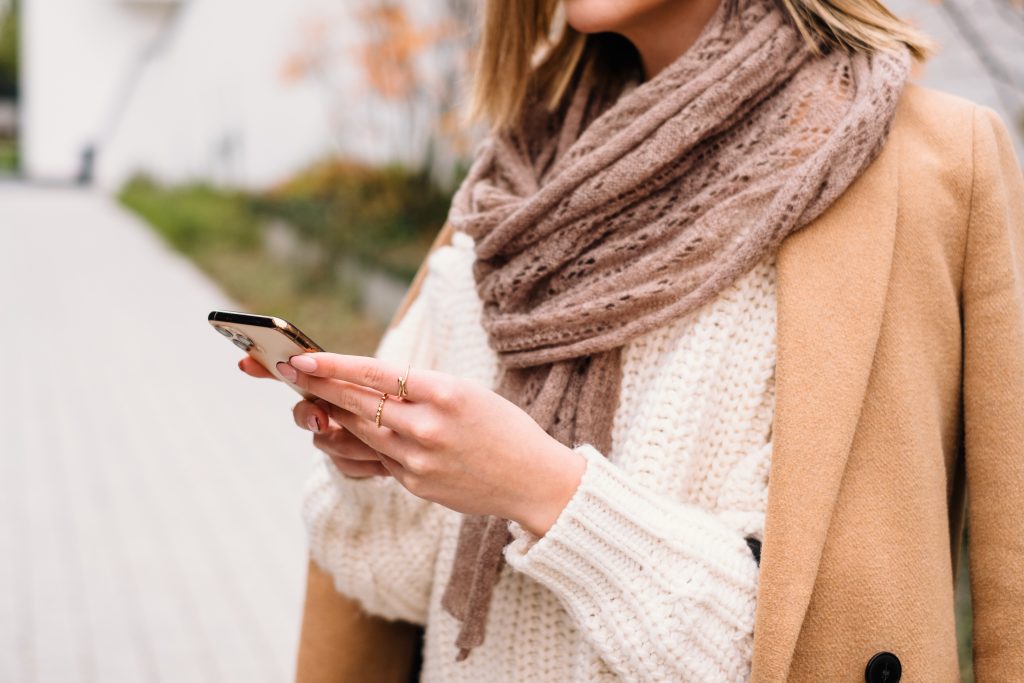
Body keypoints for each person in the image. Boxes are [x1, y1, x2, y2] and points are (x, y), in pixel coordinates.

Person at [241, 0, 1024, 679]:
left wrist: (543, 491)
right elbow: (404, 592)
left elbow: (807, 642)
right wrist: (386, 460)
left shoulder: (927, 168)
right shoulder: (518, 170)